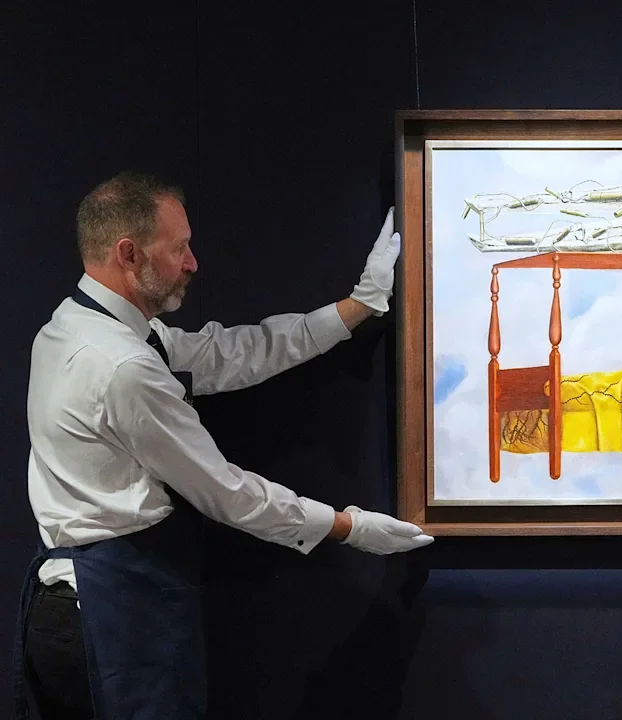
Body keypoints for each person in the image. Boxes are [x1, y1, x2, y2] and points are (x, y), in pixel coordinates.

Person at [15, 171, 435, 720]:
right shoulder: (124, 367)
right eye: (179, 248)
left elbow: (224, 354)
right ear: (129, 253)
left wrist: (356, 307)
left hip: (73, 606)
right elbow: (226, 493)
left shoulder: (74, 325)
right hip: (113, 620)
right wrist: (348, 527)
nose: (192, 263)